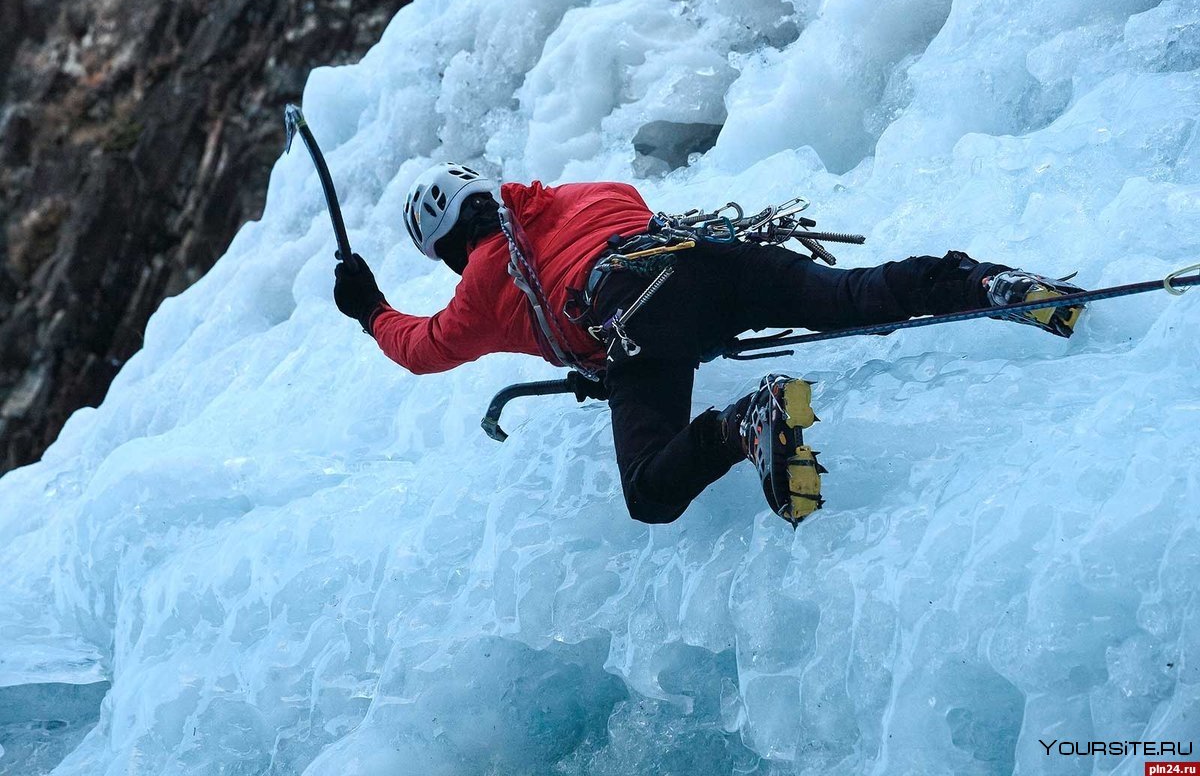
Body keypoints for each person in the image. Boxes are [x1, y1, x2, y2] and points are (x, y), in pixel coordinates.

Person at [334, 163, 1083, 526]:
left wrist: (368, 308)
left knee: (648, 493)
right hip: (705, 255)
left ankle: (745, 423)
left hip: (640, 316)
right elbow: (582, 256)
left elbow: (422, 347)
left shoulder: (484, 282)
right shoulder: (592, 193)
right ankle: (986, 283)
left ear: (447, 245)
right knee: (849, 297)